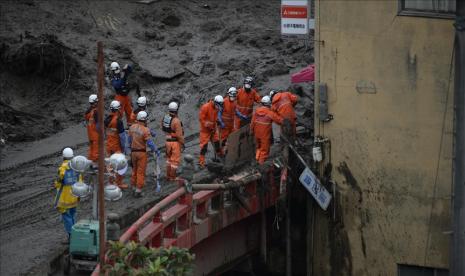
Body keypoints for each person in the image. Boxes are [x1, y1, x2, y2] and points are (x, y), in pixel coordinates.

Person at [127, 111, 158, 197]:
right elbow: (150, 143)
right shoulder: (145, 130)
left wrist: (129, 151)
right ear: (144, 120)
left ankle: (133, 186)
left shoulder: (132, 127)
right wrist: (155, 150)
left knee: (134, 170)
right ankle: (138, 190)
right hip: (141, 153)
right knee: (141, 172)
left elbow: (129, 141)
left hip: (133, 152)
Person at [54, 147, 81, 240]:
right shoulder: (77, 167)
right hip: (74, 196)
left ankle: (71, 236)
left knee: (66, 216)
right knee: (73, 215)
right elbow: (80, 182)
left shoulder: (62, 169)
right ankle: (75, 233)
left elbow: (58, 184)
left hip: (64, 198)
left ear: (63, 157)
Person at [250, 96, 283, 164]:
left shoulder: (256, 111)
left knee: (258, 147)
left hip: (256, 133)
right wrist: (285, 120)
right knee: (264, 150)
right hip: (264, 135)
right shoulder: (269, 113)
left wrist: (251, 131)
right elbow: (279, 120)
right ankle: (261, 164)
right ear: (268, 104)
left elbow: (252, 122)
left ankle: (257, 159)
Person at [104, 100, 128, 189]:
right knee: (121, 165)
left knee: (110, 165)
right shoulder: (118, 121)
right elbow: (122, 137)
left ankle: (111, 182)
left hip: (108, 146)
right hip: (116, 147)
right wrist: (124, 148)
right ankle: (119, 183)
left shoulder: (106, 120)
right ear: (118, 110)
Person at [198, 95, 225, 168]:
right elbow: (201, 119)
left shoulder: (216, 108)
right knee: (204, 147)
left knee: (217, 143)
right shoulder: (205, 107)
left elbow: (215, 117)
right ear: (215, 102)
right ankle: (201, 162)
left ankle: (220, 155)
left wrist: (217, 121)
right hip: (205, 131)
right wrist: (208, 124)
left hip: (213, 129)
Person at [162, 102, 185, 181]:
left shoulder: (165, 117)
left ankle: (168, 176)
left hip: (167, 141)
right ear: (176, 110)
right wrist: (182, 143)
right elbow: (179, 135)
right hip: (174, 143)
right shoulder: (176, 121)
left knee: (169, 160)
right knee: (175, 161)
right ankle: (173, 177)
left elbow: (163, 128)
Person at [221, 87, 238, 154]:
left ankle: (230, 150)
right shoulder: (224, 101)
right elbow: (219, 112)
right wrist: (220, 121)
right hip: (224, 124)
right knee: (224, 138)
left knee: (233, 136)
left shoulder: (234, 102)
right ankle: (223, 152)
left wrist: (241, 115)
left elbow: (235, 111)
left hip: (231, 124)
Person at [84, 94, 99, 165]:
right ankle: (95, 164)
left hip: (90, 133)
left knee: (91, 149)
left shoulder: (88, 111)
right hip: (95, 133)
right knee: (96, 149)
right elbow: (98, 124)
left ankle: (90, 162)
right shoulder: (96, 111)